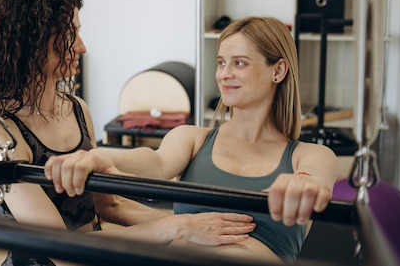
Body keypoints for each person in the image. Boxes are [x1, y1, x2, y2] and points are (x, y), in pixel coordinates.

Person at [0, 0, 257, 266]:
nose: (81, 47)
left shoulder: (77, 109)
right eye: (70, 34)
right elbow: (60, 250)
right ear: (34, 42)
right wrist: (178, 227)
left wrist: (197, 224)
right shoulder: (0, 134)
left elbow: (109, 205)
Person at [44, 16, 339, 264]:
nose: (224, 74)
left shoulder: (309, 155)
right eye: (221, 62)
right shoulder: (193, 139)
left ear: (278, 70)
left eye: (239, 63)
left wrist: (303, 183)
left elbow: (314, 179)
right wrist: (104, 156)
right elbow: (155, 161)